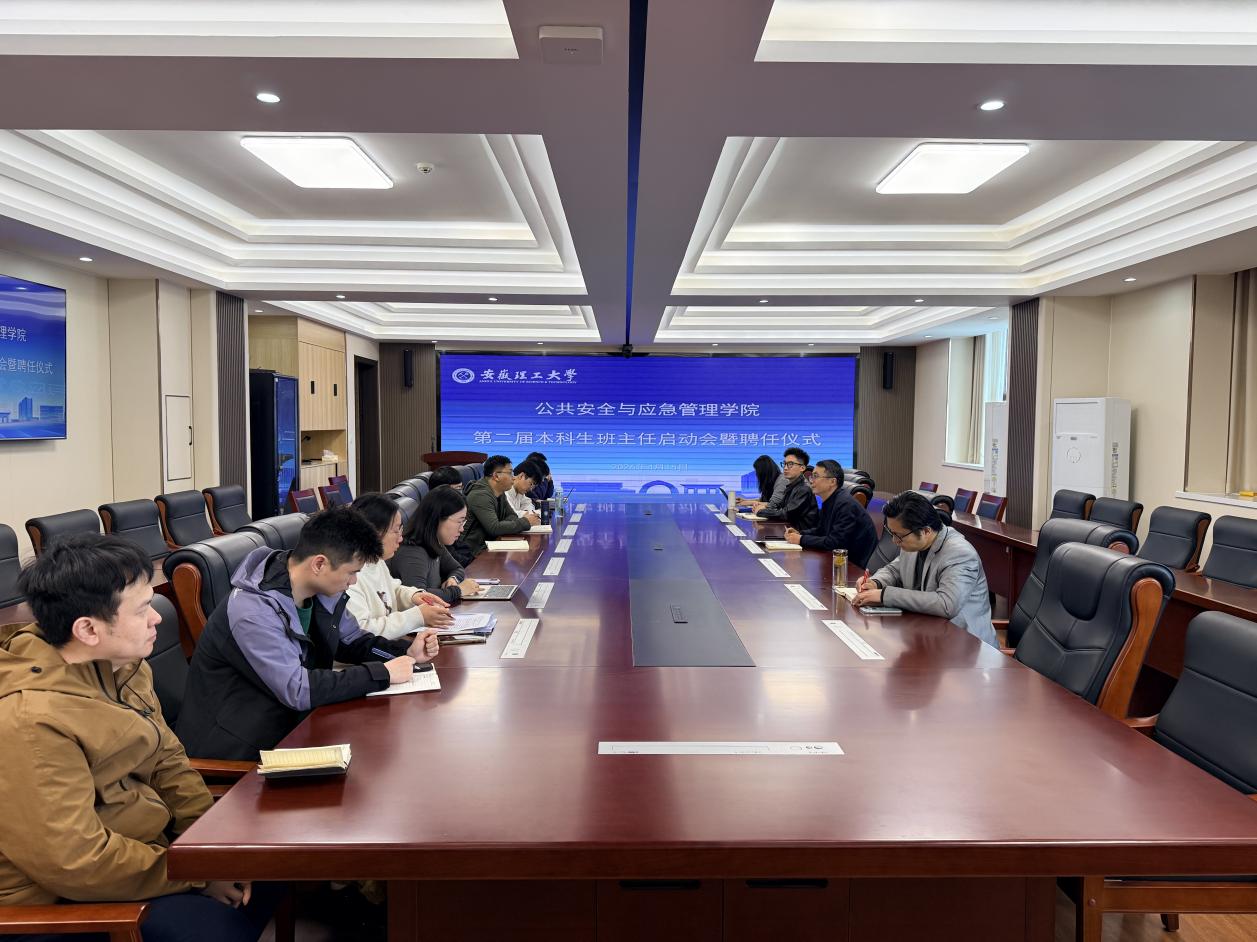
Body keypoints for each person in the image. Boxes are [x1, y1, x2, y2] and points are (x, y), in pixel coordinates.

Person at [0, 533, 277, 940]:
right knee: (217, 928)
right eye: (143, 608)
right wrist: (197, 875)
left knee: (272, 866)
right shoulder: (28, 721)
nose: (157, 619)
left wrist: (212, 849)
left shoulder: (121, 666)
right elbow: (73, 860)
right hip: (56, 901)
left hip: (138, 852)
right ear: (88, 629)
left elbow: (168, 761)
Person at [176, 507, 441, 761]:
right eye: (351, 573)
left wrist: (404, 652)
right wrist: (381, 673)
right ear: (319, 564)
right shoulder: (252, 612)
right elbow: (298, 689)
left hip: (293, 728)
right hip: (241, 751)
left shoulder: (320, 591)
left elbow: (351, 640)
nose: (353, 582)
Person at [853, 490, 997, 647]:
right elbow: (896, 569)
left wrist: (883, 595)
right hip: (928, 634)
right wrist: (876, 582)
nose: (894, 541)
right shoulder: (912, 541)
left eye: (898, 535)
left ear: (926, 531)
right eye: (891, 533)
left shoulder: (959, 554)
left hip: (965, 646)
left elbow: (947, 604)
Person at [346, 493, 454, 636]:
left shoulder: (376, 560)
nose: (400, 538)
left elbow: (392, 590)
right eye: (396, 531)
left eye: (401, 530)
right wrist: (417, 616)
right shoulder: (348, 575)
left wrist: (414, 596)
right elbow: (361, 630)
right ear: (372, 533)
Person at [390, 486, 482, 605]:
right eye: (459, 521)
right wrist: (458, 591)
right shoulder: (412, 551)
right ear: (437, 519)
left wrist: (452, 579)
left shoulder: (434, 541)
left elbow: (457, 568)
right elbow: (419, 596)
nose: (462, 529)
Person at [784, 459, 878, 568]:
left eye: (816, 476)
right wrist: (800, 533)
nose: (811, 481)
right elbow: (821, 530)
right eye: (811, 476)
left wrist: (801, 539)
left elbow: (834, 543)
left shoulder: (846, 505)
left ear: (832, 482)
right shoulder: (829, 500)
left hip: (855, 567)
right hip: (838, 561)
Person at [462, 455, 539, 558]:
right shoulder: (480, 495)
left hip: (488, 546)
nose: (513, 477)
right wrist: (526, 522)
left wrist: (503, 525)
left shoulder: (500, 492)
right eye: (510, 473)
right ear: (496, 476)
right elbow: (494, 528)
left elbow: (512, 516)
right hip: (469, 553)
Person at [757, 447, 819, 531]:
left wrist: (760, 511)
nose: (785, 468)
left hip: (801, 535)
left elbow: (785, 514)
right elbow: (779, 508)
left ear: (802, 468)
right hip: (789, 531)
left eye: (790, 464)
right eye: (784, 464)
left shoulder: (804, 489)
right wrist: (762, 507)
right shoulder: (790, 487)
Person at [426, 466, 475, 566]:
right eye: (457, 489)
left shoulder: (455, 511)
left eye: (461, 488)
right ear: (442, 491)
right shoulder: (434, 516)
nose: (461, 494)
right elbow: (454, 561)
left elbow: (461, 548)